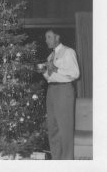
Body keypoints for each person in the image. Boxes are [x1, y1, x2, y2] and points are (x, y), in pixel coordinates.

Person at [38, 29, 80, 160]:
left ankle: (67, 162)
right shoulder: (50, 56)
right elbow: (50, 78)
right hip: (52, 91)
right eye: (46, 38)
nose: (46, 40)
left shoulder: (68, 52)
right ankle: (56, 160)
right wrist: (44, 71)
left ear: (57, 37)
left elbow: (75, 74)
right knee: (53, 128)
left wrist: (55, 68)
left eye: (49, 37)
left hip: (64, 91)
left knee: (64, 129)